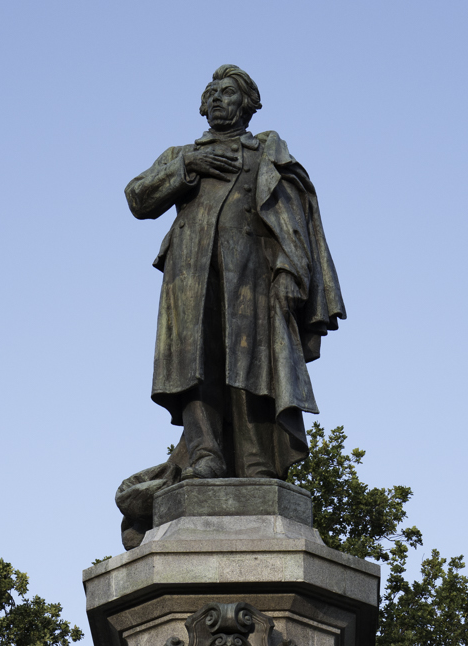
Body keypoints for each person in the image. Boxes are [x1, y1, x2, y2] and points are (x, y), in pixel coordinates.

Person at [124, 66, 346, 494]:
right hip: (189, 275)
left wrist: (290, 272)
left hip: (251, 276)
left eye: (229, 92)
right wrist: (188, 164)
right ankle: (205, 454)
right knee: (195, 365)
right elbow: (137, 197)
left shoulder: (267, 154)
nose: (219, 98)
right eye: (213, 92)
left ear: (247, 104)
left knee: (251, 362)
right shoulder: (181, 153)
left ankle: (256, 460)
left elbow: (293, 220)